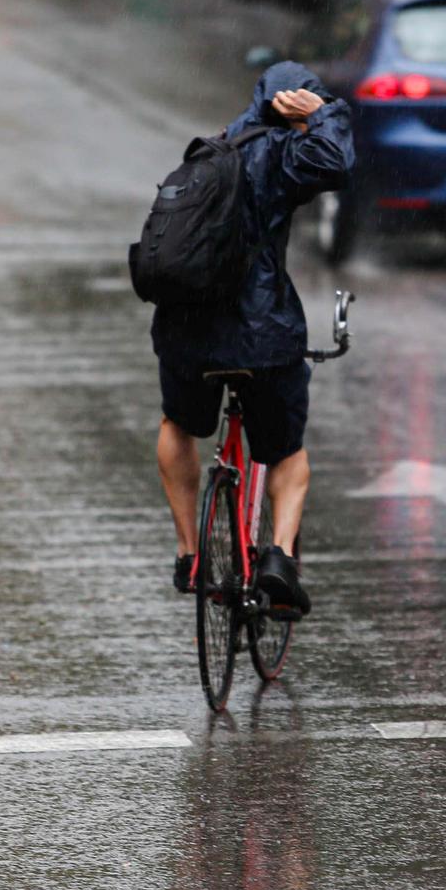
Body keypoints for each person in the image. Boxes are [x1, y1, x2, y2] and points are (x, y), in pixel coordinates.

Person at [153, 61, 354, 615]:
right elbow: (336, 163)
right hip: (259, 336)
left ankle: (189, 554)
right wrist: (327, 115)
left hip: (185, 332)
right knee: (287, 453)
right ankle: (278, 561)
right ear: (292, 107)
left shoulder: (210, 151)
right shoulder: (284, 153)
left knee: (178, 425)